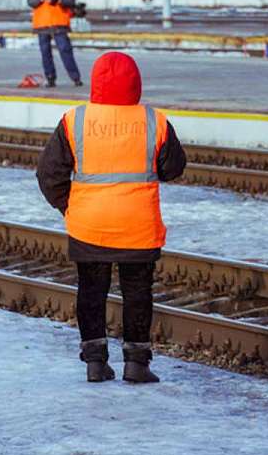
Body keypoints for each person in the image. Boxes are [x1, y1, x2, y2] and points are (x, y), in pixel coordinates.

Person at [36, 51, 187, 383]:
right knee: (138, 292)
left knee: (91, 291)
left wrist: (69, 207)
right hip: (138, 226)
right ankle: (136, 364)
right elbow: (173, 167)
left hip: (89, 225)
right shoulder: (154, 121)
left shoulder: (74, 120)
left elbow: (48, 174)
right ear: (136, 83)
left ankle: (95, 363)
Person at [27, 0, 82, 88]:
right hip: (42, 24)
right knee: (45, 53)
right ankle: (50, 78)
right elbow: (30, 2)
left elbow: (71, 0)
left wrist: (58, 0)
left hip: (59, 22)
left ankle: (75, 77)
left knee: (65, 50)